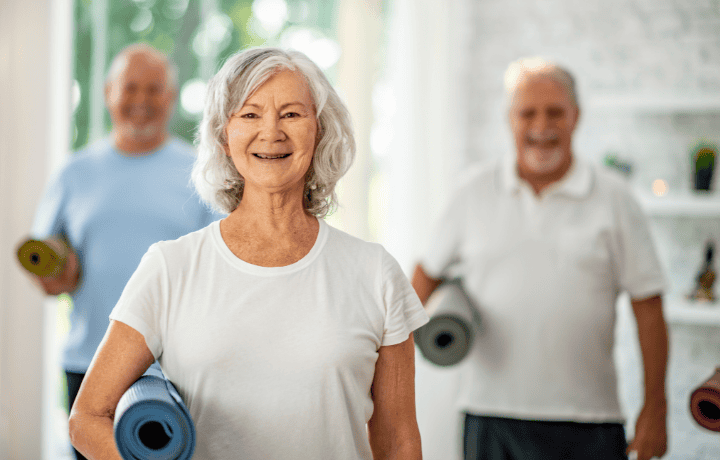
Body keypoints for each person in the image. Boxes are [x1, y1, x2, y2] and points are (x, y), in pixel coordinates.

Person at [68, 47, 429, 460]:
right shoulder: (171, 267)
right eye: (250, 114)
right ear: (225, 134)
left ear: (321, 130)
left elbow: (399, 440)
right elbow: (87, 417)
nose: (271, 131)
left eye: (292, 114)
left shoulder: (376, 273)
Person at [412, 57, 669, 460]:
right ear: (509, 119)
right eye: (527, 113)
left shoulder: (615, 198)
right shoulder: (472, 192)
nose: (540, 127)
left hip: (590, 421)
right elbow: (423, 280)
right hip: (488, 417)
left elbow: (649, 307)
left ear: (576, 117)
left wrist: (656, 408)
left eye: (555, 113)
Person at [26, 43, 223, 460]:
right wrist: (57, 274)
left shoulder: (201, 174)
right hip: (89, 364)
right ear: (108, 92)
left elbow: (220, 270)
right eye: (130, 88)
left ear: (170, 98)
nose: (141, 101)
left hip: (176, 368)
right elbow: (46, 271)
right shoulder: (73, 173)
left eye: (154, 90)